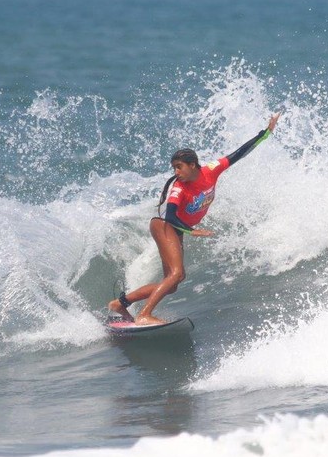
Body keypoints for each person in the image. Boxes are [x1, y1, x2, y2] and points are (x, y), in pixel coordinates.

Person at [109, 112, 281, 325]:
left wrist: (265, 133)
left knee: (172, 284)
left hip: (176, 229)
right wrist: (194, 231)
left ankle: (120, 304)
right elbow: (170, 216)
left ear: (192, 165)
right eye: (174, 168)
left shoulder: (211, 171)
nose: (176, 172)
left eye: (179, 167)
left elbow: (239, 153)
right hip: (165, 226)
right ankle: (144, 314)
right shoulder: (178, 189)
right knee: (177, 273)